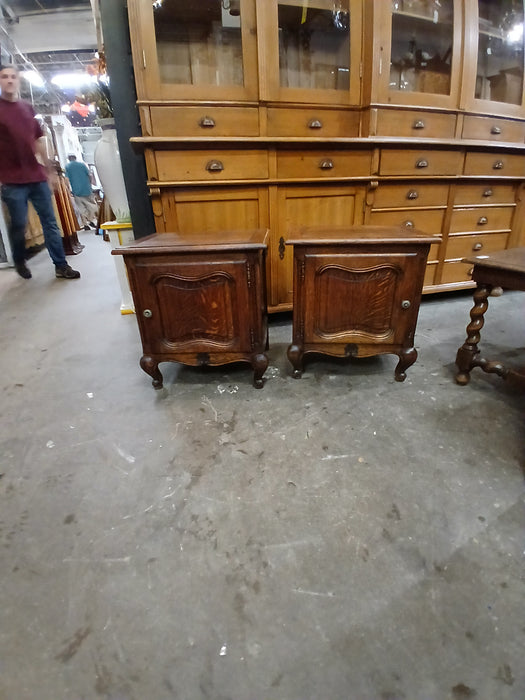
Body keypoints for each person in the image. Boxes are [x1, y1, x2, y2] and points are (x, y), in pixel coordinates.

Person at [0, 64, 80, 280]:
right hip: (11, 180)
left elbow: (38, 141)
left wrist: (49, 170)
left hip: (36, 176)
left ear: (18, 80)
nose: (9, 80)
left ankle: (61, 265)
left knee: (50, 222)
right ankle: (18, 257)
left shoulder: (27, 108)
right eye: (4, 77)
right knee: (18, 223)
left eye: (12, 77)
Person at [65, 154, 98, 231]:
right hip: (87, 189)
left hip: (76, 190)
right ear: (75, 158)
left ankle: (86, 223)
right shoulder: (82, 165)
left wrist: (68, 189)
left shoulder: (68, 167)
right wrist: (89, 184)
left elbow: (66, 179)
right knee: (91, 205)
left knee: (81, 207)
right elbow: (90, 175)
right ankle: (91, 219)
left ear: (69, 159)